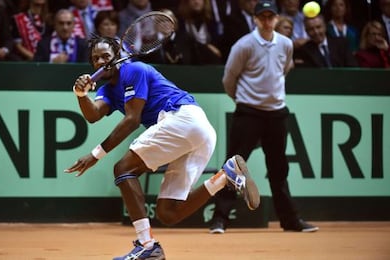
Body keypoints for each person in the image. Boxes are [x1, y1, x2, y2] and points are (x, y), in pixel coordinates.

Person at [64, 35, 260, 259]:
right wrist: (81, 95)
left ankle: (146, 246)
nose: (100, 61)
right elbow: (94, 114)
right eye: (95, 58)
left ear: (118, 57)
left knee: (123, 169)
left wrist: (95, 155)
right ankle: (226, 176)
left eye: (106, 56)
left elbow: (132, 120)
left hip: (182, 118)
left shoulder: (133, 70)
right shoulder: (108, 89)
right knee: (168, 213)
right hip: (196, 132)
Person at [209, 0, 319, 234]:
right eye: (263, 17)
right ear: (256, 19)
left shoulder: (286, 44)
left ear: (277, 19)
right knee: (233, 167)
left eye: (271, 17)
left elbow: (284, 69)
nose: (267, 21)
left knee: (279, 169)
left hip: (277, 114)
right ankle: (219, 219)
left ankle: (290, 221)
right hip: (248, 112)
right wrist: (245, 100)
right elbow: (229, 79)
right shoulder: (244, 45)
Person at [293, 14, 358, 68]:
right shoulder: (304, 51)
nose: (316, 32)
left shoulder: (341, 44)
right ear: (306, 31)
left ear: (325, 27)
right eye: (311, 29)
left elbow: (352, 67)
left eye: (318, 27)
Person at [176, 0, 223, 64]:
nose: (196, 1)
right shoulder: (180, 21)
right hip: (188, 63)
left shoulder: (212, 20)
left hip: (209, 63)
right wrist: (207, 47)